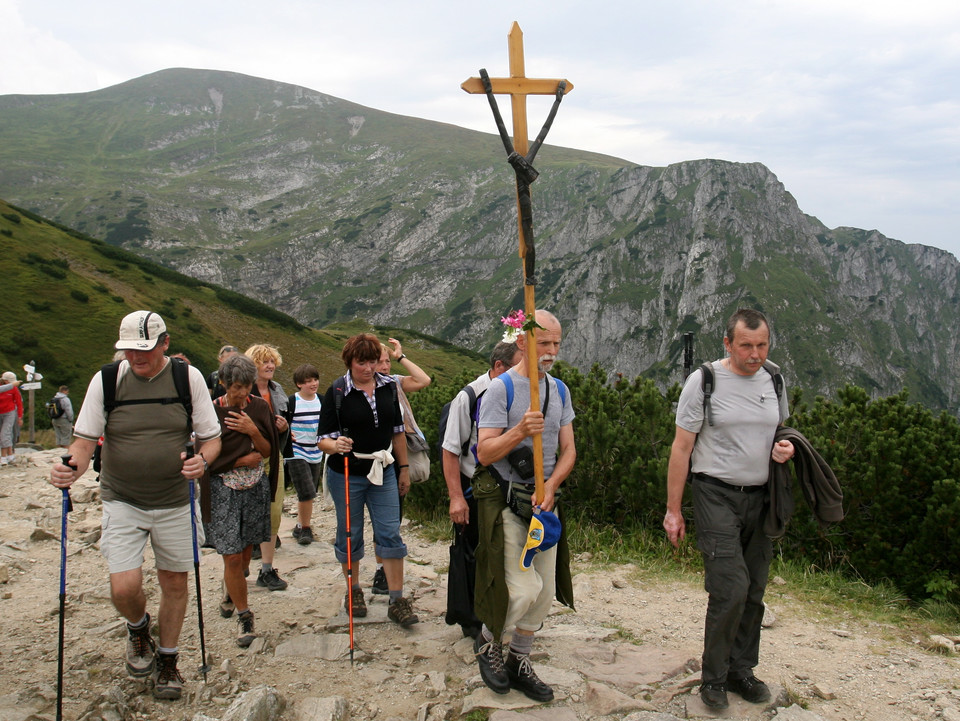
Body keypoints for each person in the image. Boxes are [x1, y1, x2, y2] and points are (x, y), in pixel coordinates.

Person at [48, 310, 221, 701]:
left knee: (175, 582)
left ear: (165, 344)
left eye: (143, 349)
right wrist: (70, 469)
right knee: (124, 588)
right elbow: (84, 441)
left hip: (175, 498)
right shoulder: (107, 379)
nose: (135, 357)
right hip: (122, 496)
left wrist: (203, 461)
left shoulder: (187, 378)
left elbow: (212, 438)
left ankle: (168, 659)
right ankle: (139, 626)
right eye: (128, 349)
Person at [664, 308, 795, 711]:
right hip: (715, 493)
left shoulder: (773, 378)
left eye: (762, 345)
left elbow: (780, 429)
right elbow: (681, 447)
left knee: (754, 589)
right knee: (731, 587)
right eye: (746, 346)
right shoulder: (704, 381)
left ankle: (742, 671)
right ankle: (714, 678)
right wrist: (673, 510)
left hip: (761, 497)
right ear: (727, 343)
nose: (755, 354)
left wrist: (785, 447)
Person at [473, 310, 576, 702]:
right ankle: (488, 643)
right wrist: (519, 430)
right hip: (508, 500)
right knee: (520, 589)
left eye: (556, 344)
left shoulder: (559, 391)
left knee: (545, 590)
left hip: (543, 503)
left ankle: (519, 659)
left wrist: (552, 484)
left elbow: (569, 450)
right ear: (522, 342)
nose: (551, 352)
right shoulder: (502, 390)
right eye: (544, 343)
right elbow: (484, 452)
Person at [317, 333, 419, 627]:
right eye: (362, 362)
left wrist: (403, 468)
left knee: (390, 531)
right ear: (349, 361)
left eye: (372, 361)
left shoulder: (389, 387)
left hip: (383, 468)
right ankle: (354, 591)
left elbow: (398, 431)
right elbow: (322, 439)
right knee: (350, 532)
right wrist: (335, 446)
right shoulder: (337, 391)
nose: (368, 367)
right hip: (346, 470)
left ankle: (397, 599)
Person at [441, 341, 521, 638]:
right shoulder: (470, 396)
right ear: (499, 367)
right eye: (518, 365)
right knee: (474, 552)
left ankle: (502, 612)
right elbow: (449, 451)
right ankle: (473, 619)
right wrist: (456, 498)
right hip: (474, 487)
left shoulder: (517, 390)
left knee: (505, 550)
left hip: (508, 486)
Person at [205, 354, 279, 648]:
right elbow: (206, 457)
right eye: (236, 386)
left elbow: (267, 450)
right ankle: (245, 616)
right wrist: (236, 462)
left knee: (246, 556)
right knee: (232, 555)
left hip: (254, 487)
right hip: (223, 488)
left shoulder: (259, 408)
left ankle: (230, 590)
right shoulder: (210, 412)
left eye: (247, 386)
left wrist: (251, 430)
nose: (242, 392)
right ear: (223, 384)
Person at [369, 338, 431, 594]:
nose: (384, 366)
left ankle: (386, 569)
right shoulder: (362, 388)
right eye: (379, 361)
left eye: (386, 361)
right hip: (378, 455)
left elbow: (424, 380)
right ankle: (382, 569)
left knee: (394, 515)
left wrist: (400, 357)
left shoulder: (395, 382)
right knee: (382, 517)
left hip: (400, 452)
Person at [245, 343, 289, 591]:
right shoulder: (242, 391)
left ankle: (266, 568)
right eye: (264, 361)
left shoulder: (278, 390)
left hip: (274, 456)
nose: (270, 366)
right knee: (248, 510)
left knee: (274, 511)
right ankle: (238, 568)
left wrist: (284, 427)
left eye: (272, 361)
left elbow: (284, 423)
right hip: (247, 458)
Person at [285, 363, 324, 545]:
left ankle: (300, 525)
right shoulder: (291, 402)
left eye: (315, 379)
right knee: (307, 491)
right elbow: (282, 424)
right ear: (299, 384)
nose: (313, 384)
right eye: (308, 381)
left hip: (316, 450)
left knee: (310, 491)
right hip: (296, 451)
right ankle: (306, 529)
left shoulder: (322, 401)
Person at [0, 372, 23, 465]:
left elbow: (19, 402)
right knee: (5, 435)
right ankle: (10, 455)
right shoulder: (5, 387)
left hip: (9, 412)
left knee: (5, 433)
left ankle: (3, 457)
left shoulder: (14, 389)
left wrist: (20, 416)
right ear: (5, 381)